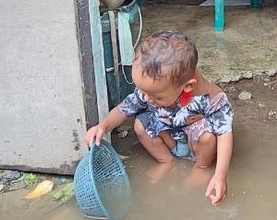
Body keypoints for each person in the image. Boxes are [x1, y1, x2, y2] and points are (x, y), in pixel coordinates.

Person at [85, 30, 235, 204]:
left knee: (209, 137)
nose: (146, 98)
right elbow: (124, 109)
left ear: (188, 86)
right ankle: (166, 161)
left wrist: (220, 175)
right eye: (142, 91)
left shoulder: (211, 97)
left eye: (156, 96)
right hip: (168, 135)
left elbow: (224, 133)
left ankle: (201, 167)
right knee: (140, 125)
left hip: (195, 142)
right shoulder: (149, 90)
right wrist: (103, 126)